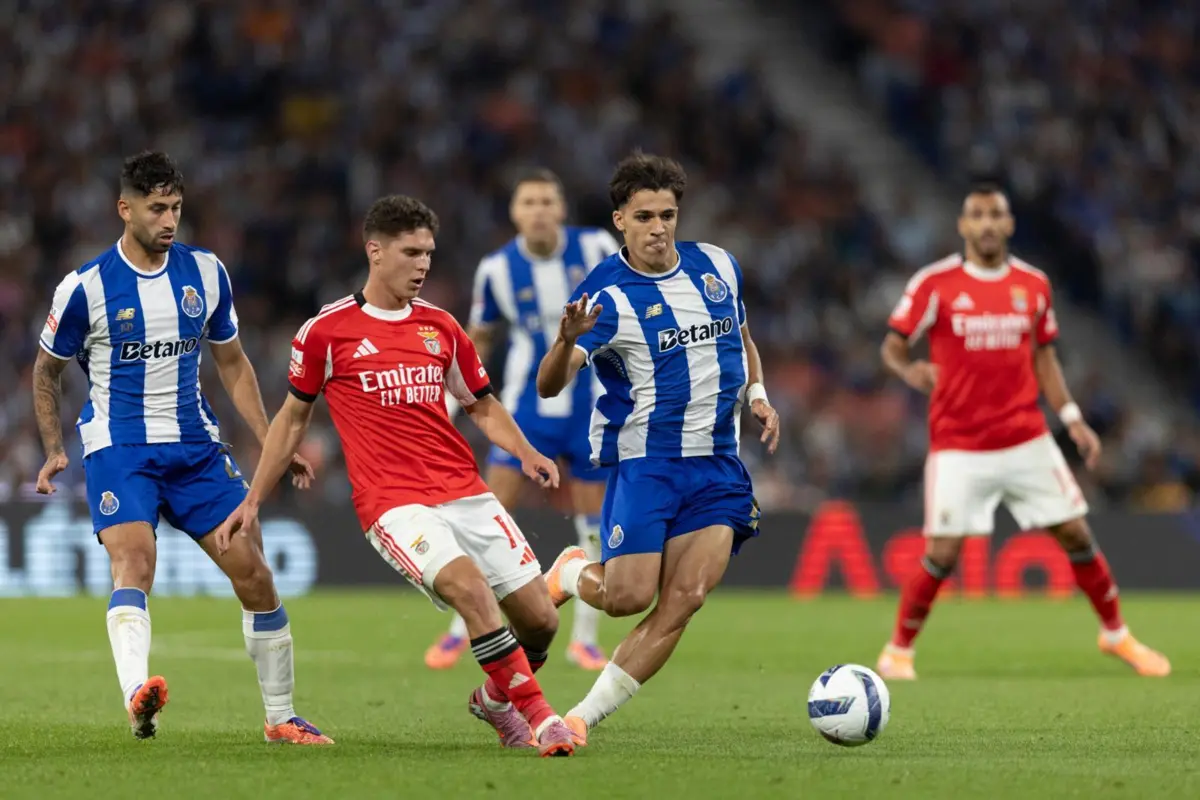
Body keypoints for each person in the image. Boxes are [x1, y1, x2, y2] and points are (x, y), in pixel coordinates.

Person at [216, 195, 578, 756]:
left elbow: (480, 403)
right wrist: (255, 498)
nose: (423, 264)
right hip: (393, 503)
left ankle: (495, 700)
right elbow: (292, 417)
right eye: (411, 252)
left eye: (429, 253)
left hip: (465, 491)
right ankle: (543, 718)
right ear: (375, 251)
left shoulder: (442, 328)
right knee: (471, 590)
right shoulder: (326, 332)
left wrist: (526, 451)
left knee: (540, 623)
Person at [32, 151, 331, 743]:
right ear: (125, 209)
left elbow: (234, 364)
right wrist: (53, 446)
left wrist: (272, 437)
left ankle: (280, 719)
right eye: (157, 209)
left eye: (176, 208)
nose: (169, 221)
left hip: (195, 448)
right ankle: (136, 696)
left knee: (254, 571)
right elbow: (46, 371)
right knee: (135, 560)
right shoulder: (85, 288)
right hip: (120, 447)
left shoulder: (206, 273)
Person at [875, 183, 1171, 680]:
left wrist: (1073, 418)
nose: (987, 223)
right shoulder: (935, 283)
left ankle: (1117, 635)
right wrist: (910, 372)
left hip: (1026, 437)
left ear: (1009, 224)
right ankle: (898, 650)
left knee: (1076, 530)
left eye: (996, 214)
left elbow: (1045, 358)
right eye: (977, 215)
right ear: (963, 225)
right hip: (959, 443)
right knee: (942, 552)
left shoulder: (1034, 285)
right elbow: (892, 345)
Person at [535, 153, 781, 745]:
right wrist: (564, 341)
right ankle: (571, 572)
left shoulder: (717, 265)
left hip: (719, 467)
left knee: (686, 598)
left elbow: (743, 338)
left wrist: (759, 395)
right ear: (620, 219)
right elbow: (550, 385)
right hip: (649, 465)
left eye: (667, 214)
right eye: (644, 216)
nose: (658, 228)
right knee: (627, 597)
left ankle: (580, 719)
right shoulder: (603, 296)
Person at [426, 169, 618, 672]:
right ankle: (462, 627)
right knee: (485, 512)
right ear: (515, 213)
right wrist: (448, 406)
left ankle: (586, 639)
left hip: (590, 406)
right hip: (525, 408)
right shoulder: (495, 269)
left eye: (546, 200)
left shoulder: (598, 247)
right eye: (528, 201)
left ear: (561, 209)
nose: (537, 209)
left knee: (592, 522)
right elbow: (478, 339)